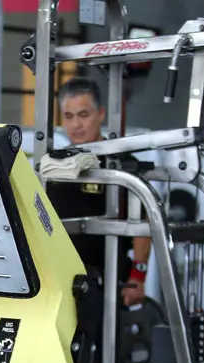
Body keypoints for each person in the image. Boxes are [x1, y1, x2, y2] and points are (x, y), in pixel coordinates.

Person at [52, 77, 153, 307]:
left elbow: (143, 229)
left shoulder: (123, 166)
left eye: (83, 114)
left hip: (107, 284)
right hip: (61, 282)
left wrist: (138, 276)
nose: (76, 125)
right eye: (69, 117)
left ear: (101, 114)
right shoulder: (54, 165)